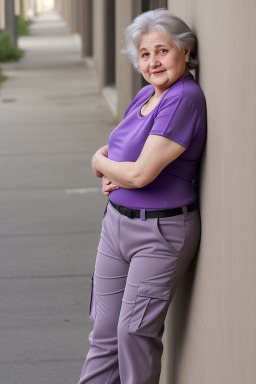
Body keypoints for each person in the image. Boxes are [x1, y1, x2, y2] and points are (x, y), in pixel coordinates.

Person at [78, 8, 206, 384]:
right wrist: (108, 164)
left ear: (186, 50)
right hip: (116, 225)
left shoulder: (182, 100)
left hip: (160, 234)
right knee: (103, 335)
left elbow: (139, 173)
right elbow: (122, 148)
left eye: (162, 51)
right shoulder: (147, 95)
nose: (153, 62)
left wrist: (98, 162)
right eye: (146, 54)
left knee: (133, 336)